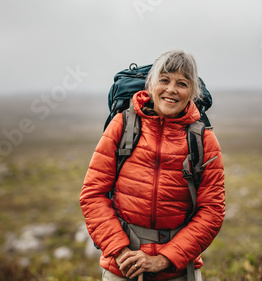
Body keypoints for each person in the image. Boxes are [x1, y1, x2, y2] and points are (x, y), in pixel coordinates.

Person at [79, 49, 225, 281]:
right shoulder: (122, 125)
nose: (171, 90)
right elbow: (93, 195)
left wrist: (164, 259)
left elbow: (212, 211)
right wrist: (120, 251)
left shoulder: (203, 139)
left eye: (182, 83)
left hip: (178, 270)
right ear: (151, 84)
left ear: (192, 93)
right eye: (164, 80)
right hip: (122, 266)